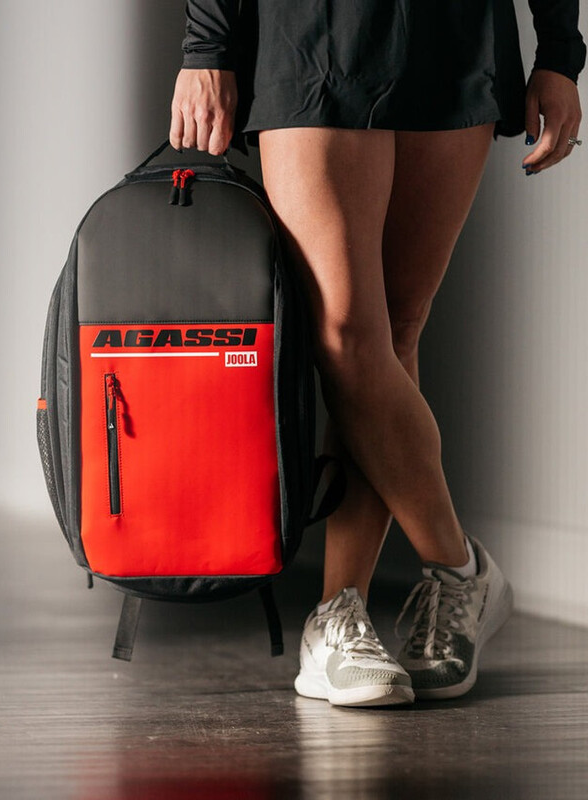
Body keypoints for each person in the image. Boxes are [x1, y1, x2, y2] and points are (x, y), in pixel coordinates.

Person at [169, 0, 586, 707]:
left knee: (395, 334)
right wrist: (207, 45)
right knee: (345, 336)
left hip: (453, 31)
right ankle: (461, 570)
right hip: (311, 28)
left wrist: (559, 52)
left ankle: (338, 617)